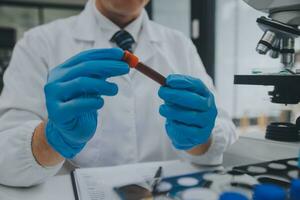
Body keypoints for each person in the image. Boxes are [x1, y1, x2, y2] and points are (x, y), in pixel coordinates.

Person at [0, 0, 237, 187]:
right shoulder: (38, 43)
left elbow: (221, 131)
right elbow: (5, 159)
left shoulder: (180, 45)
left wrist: (200, 139)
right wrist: (50, 139)